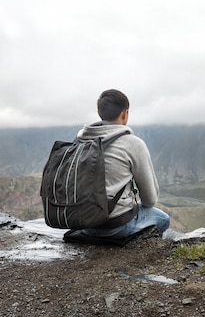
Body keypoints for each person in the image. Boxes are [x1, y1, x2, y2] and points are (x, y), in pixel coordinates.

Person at [64, 89, 170, 245]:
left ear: (99, 112)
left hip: (81, 222)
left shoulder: (79, 140)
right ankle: (143, 251)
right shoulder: (133, 144)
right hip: (115, 226)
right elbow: (150, 200)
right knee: (163, 219)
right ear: (125, 114)